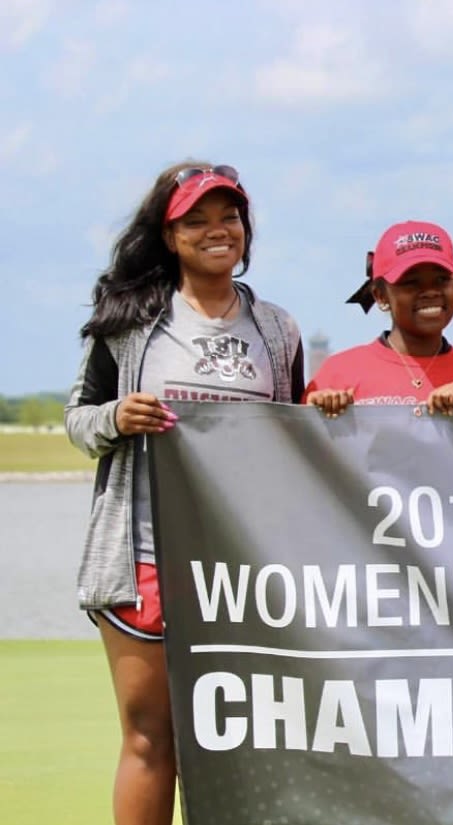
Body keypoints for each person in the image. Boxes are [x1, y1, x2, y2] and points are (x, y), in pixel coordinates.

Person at [64, 162, 303, 825]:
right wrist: (117, 418)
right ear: (169, 236)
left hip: (242, 569)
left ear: (246, 230)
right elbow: (79, 420)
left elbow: (296, 439)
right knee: (149, 737)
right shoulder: (131, 323)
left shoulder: (278, 330)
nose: (215, 230)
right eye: (195, 220)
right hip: (143, 559)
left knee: (241, 740)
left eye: (228, 217)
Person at [305, 220, 453, 417]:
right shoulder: (337, 375)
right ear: (380, 295)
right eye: (411, 282)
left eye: (442, 279)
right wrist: (319, 419)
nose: (430, 292)